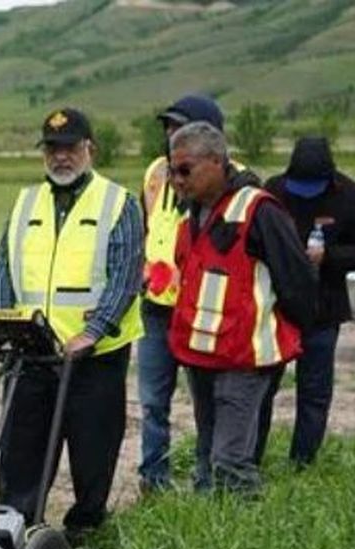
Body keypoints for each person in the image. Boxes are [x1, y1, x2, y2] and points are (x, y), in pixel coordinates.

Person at [0, 107, 144, 542]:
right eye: (52, 149)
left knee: (93, 453)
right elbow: (4, 267)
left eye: (70, 148)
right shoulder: (25, 203)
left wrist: (93, 332)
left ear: (89, 149)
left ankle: (85, 534)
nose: (61, 158)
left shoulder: (119, 203)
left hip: (94, 359)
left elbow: (126, 274)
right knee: (21, 451)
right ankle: (15, 532)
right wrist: (3, 326)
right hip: (33, 353)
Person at [166, 121, 315, 494]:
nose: (176, 179)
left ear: (216, 162)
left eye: (185, 169)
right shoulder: (190, 215)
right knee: (205, 455)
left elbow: (297, 281)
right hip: (202, 357)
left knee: (230, 462)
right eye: (172, 169)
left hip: (245, 360)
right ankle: (209, 538)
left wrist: (289, 337)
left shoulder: (260, 210)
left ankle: (247, 538)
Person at [254, 136, 355, 467]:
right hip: (275, 312)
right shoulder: (273, 192)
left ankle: (301, 462)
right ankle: (250, 457)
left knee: (314, 393)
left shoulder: (351, 198)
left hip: (323, 312)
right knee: (262, 390)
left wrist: (330, 257)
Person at [138, 94, 232, 494]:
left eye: (179, 127)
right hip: (157, 307)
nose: (170, 134)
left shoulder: (232, 178)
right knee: (152, 402)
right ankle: (153, 481)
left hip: (203, 310)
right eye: (168, 127)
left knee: (206, 405)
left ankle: (205, 480)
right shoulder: (156, 173)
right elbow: (150, 226)